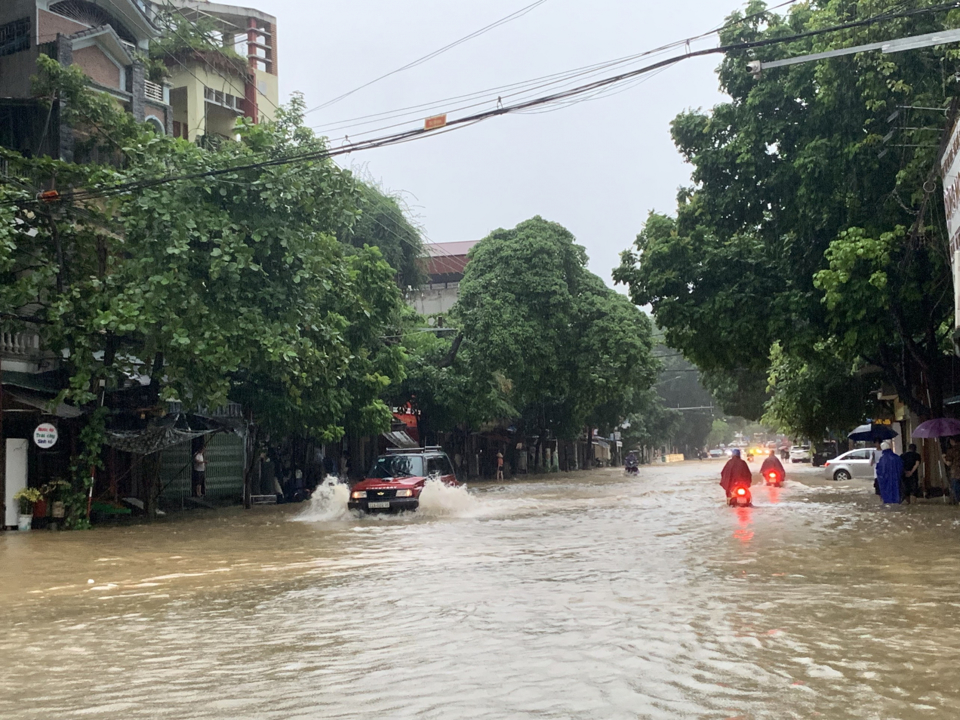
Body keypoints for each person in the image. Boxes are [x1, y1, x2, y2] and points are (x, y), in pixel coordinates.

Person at [943, 436, 960, 502]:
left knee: (956, 489)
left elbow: (948, 463)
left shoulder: (952, 450)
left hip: (956, 473)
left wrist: (944, 458)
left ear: (952, 441)